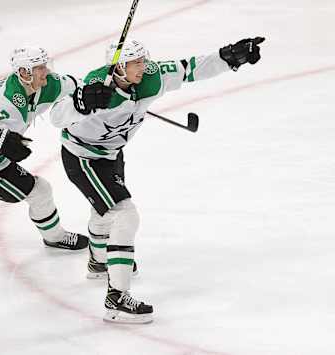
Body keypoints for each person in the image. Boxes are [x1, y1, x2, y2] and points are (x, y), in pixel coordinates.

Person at [50, 37, 265, 322]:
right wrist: (80, 103)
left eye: (143, 60)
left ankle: (99, 262)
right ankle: (116, 300)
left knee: (104, 211)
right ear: (118, 68)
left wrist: (229, 57)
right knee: (125, 216)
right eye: (135, 63)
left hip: (112, 154)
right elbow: (56, 116)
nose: (143, 67)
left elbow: (191, 68)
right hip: (83, 157)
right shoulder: (95, 88)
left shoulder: (152, 76)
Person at [0, 46, 111, 250]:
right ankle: (54, 236)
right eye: (40, 67)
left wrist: (93, 92)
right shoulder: (7, 100)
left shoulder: (46, 84)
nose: (47, 71)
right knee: (39, 190)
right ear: (24, 73)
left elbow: (75, 86)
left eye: (45, 65)